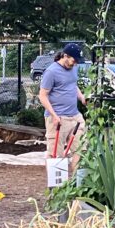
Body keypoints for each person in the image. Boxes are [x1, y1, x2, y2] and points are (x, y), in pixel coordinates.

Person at [38, 43, 87, 175]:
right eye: (73, 60)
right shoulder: (51, 72)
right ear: (65, 56)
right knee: (55, 154)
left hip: (75, 116)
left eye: (77, 61)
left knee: (80, 149)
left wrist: (82, 97)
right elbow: (42, 96)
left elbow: (72, 84)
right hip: (58, 118)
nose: (75, 63)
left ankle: (77, 185)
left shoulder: (73, 68)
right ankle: (56, 190)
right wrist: (54, 115)